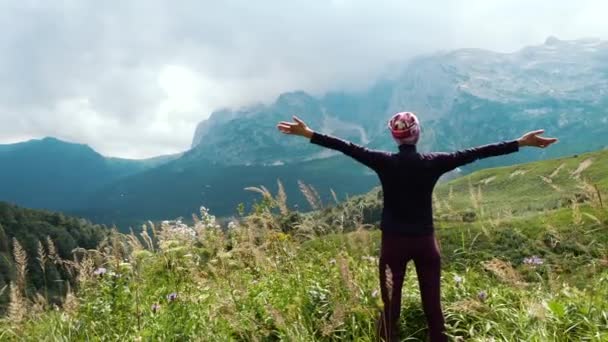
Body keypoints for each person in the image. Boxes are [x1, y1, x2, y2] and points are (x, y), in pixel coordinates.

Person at [277, 112, 558, 341]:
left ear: (394, 136)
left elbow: (347, 147)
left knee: (389, 310)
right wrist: (520, 143)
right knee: (434, 311)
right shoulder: (433, 163)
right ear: (417, 134)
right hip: (425, 243)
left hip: (393, 244)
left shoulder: (383, 162)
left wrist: (309, 133)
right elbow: (476, 153)